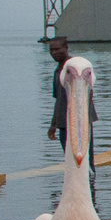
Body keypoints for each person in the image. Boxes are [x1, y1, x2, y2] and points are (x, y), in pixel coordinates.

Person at [46, 36, 97, 209]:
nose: (54, 53)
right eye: (51, 50)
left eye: (57, 49)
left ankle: (90, 196)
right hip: (63, 121)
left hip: (79, 121)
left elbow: (87, 94)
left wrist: (82, 118)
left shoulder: (76, 68)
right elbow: (57, 99)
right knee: (70, 158)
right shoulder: (59, 71)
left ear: (66, 48)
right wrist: (53, 124)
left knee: (85, 158)